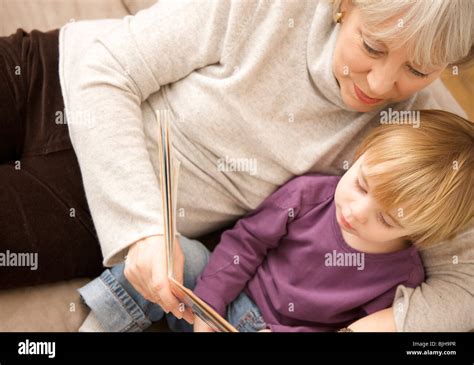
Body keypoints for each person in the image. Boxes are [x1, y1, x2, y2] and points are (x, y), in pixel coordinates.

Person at [1, 0, 473, 331]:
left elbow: (466, 287)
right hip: (59, 71)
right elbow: (108, 70)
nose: (382, 81)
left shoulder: (420, 137)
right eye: (372, 47)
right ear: (344, 4)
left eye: (419, 69)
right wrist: (140, 229)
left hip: (87, 199)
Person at [78, 110, 473, 332]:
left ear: (419, 234)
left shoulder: (403, 279)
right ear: (362, 154)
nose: (354, 212)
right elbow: (244, 245)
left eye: (385, 220)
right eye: (362, 185)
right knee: (175, 251)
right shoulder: (308, 195)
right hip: (218, 300)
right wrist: (209, 309)